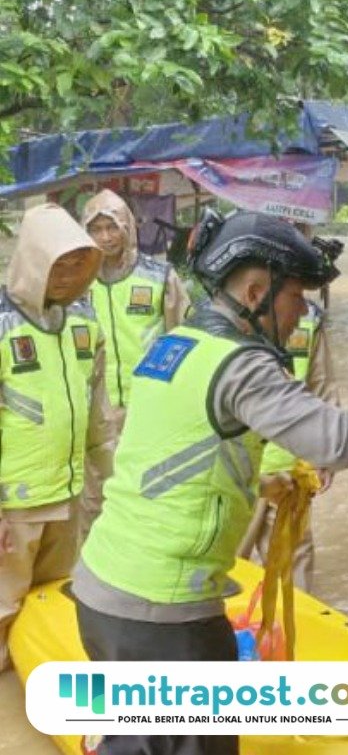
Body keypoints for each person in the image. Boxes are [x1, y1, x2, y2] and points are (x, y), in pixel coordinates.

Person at [72, 210, 348, 755]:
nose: (303, 315)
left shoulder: (175, 344)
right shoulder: (241, 364)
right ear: (254, 291)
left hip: (104, 588)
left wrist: (254, 484)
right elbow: (334, 439)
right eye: (297, 298)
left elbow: (171, 454)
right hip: (164, 613)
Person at [0, 204, 113, 673]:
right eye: (57, 264)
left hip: (66, 499)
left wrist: (112, 486)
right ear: (31, 261)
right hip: (14, 508)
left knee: (52, 606)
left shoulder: (84, 327)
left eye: (77, 265)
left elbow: (97, 421)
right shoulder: (4, 328)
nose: (66, 276)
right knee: (4, 611)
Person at [80, 189, 190, 533]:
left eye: (112, 228)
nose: (105, 237)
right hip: (96, 414)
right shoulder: (76, 285)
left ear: (127, 227)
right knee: (96, 501)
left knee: (149, 496)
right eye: (96, 230)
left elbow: (185, 340)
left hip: (150, 409)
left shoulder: (159, 278)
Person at [237, 293, 336, 591]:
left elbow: (322, 387)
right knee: (224, 572)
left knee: (294, 579)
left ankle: (295, 637)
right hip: (233, 474)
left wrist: (326, 453)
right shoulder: (220, 319)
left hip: (290, 471)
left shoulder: (309, 320)